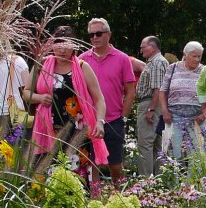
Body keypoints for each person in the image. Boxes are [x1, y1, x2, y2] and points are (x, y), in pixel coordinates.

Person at [25, 27, 107, 176]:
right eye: (58, 44)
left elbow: (99, 98)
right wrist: (39, 98)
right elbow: (26, 93)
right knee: (46, 173)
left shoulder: (82, 67)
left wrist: (100, 122)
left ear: (74, 46)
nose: (62, 49)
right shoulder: (41, 64)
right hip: (47, 130)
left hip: (77, 131)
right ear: (52, 45)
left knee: (76, 175)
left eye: (67, 45)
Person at [80, 18, 136, 184]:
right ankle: (94, 201)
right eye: (91, 35)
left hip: (113, 120)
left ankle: (120, 201)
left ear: (109, 35)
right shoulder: (82, 60)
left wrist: (123, 118)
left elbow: (130, 92)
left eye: (98, 33)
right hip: (88, 121)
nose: (94, 38)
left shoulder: (122, 58)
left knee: (115, 166)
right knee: (90, 165)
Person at [156, 41, 206, 162]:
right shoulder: (173, 68)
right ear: (185, 54)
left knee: (196, 155)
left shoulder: (205, 71)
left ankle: (193, 181)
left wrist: (204, 114)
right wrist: (164, 111)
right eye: (194, 56)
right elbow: (162, 91)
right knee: (174, 154)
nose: (197, 59)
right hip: (174, 116)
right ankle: (175, 180)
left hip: (196, 119)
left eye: (199, 56)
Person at [132, 36, 169, 176]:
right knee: (156, 145)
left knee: (145, 144)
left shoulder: (157, 62)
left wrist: (151, 109)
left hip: (150, 103)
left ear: (153, 47)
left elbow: (158, 88)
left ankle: (145, 182)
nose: (141, 50)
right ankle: (160, 181)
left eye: (143, 47)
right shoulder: (155, 62)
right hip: (154, 104)